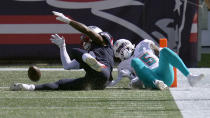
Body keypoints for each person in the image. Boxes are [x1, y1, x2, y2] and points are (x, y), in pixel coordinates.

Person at [10, 11, 114, 91]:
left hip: (102, 70)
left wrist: (68, 20)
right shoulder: (89, 54)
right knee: (60, 84)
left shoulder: (103, 43)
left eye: (86, 39)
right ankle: (29, 87)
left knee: (74, 51)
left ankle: (95, 64)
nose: (84, 42)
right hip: (98, 83)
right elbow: (67, 66)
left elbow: (87, 31)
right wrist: (62, 47)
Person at [109, 39, 204, 90]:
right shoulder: (123, 65)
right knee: (135, 61)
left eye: (122, 46)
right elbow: (136, 83)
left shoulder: (143, 44)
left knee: (165, 50)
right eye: (119, 49)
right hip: (150, 79)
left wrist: (165, 54)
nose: (122, 50)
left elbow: (159, 50)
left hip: (162, 72)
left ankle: (190, 76)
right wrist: (130, 75)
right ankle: (156, 82)